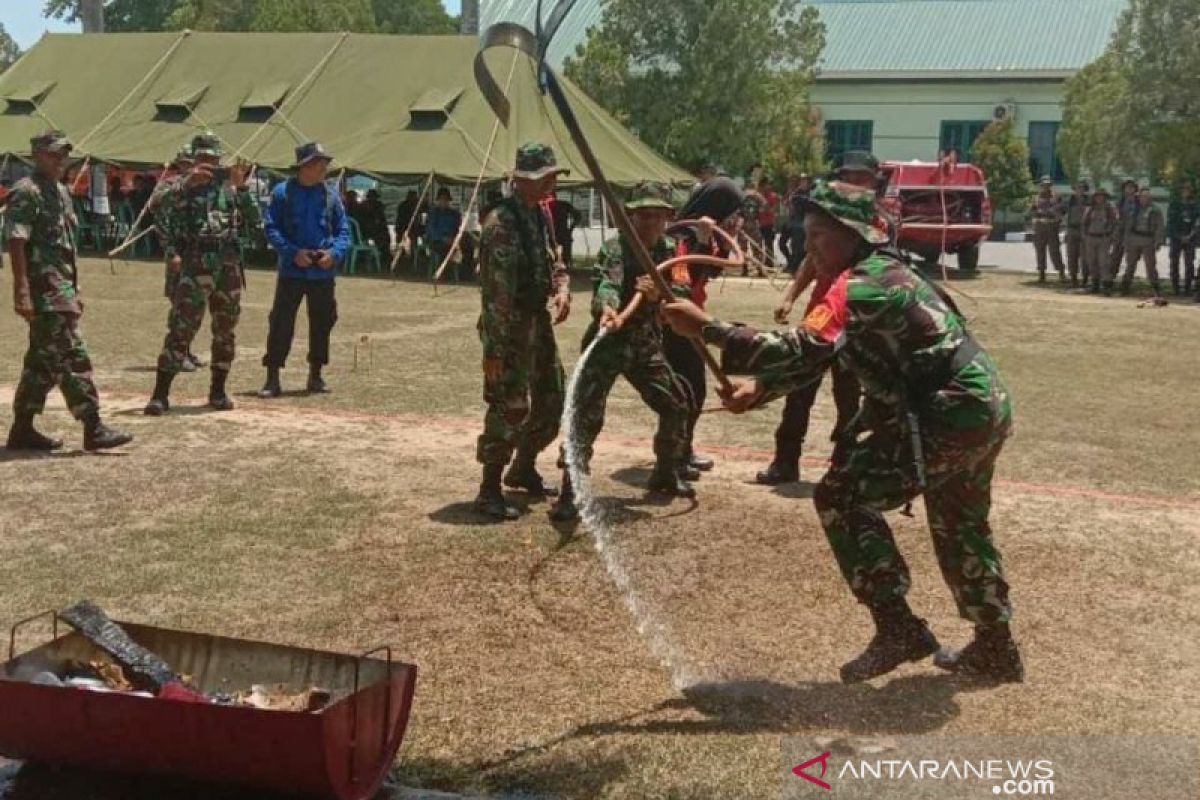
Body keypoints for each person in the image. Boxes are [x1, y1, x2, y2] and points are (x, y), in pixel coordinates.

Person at [663, 180, 1021, 685]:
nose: (809, 248)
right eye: (805, 236)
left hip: (950, 413)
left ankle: (899, 628)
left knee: (842, 494)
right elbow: (820, 357)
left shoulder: (863, 284)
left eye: (818, 237)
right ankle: (996, 648)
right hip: (978, 409)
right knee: (961, 523)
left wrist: (708, 328)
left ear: (853, 235)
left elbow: (799, 348)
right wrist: (759, 391)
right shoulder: (876, 274)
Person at [549, 183, 695, 522]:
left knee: (675, 402)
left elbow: (682, 290)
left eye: (657, 216)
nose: (649, 223)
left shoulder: (674, 250)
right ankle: (570, 489)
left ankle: (665, 471)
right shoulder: (616, 247)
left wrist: (659, 292)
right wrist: (609, 308)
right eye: (643, 215)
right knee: (586, 415)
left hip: (645, 344)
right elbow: (607, 284)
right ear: (630, 217)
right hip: (608, 342)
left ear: (667, 218)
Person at [5, 131, 132, 452]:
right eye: (53, 154)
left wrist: (74, 289)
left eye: (63, 154)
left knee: (42, 362)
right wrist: (21, 289)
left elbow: (66, 247)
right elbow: (16, 240)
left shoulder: (60, 192)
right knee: (73, 356)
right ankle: (93, 426)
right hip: (43, 290)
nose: (59, 160)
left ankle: (22, 429)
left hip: (60, 288)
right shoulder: (27, 192)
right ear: (36, 155)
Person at [474, 142, 572, 521]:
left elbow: (555, 259)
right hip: (509, 328)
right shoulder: (501, 222)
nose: (551, 183)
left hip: (537, 323)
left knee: (553, 400)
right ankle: (488, 489)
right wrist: (495, 350)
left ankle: (523, 466)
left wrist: (562, 287)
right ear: (524, 180)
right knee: (508, 407)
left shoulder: (539, 215)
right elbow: (497, 293)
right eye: (545, 177)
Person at [144, 132, 258, 416]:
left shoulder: (229, 186)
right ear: (193, 159)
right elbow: (155, 206)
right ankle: (160, 394)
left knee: (225, 330)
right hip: (195, 263)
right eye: (203, 158)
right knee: (182, 327)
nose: (209, 163)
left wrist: (242, 188)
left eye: (213, 158)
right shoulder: (178, 185)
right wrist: (186, 184)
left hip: (227, 263)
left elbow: (255, 222)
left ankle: (218, 391)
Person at [666, 177, 746, 479]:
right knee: (688, 389)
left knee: (693, 389)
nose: (735, 217)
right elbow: (681, 277)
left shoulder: (706, 232)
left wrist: (724, 241)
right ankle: (675, 453)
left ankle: (682, 449)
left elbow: (712, 268)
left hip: (693, 319)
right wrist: (701, 240)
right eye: (732, 211)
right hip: (675, 322)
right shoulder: (681, 235)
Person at [259, 142, 351, 398]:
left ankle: (316, 374)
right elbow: (271, 228)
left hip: (322, 271)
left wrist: (333, 254)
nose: (324, 168)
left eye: (324, 163)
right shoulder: (282, 193)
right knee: (281, 322)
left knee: (323, 321)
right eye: (319, 163)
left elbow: (343, 231)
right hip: (292, 270)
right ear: (304, 166)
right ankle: (272, 377)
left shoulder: (331, 195)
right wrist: (292, 252)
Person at [1120, 186, 1166, 303]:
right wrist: (1126, 240)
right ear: (1138, 197)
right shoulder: (1134, 209)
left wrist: (1158, 241)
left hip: (1148, 240)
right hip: (1134, 239)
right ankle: (1125, 286)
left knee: (1150, 266)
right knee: (1130, 265)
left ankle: (1156, 288)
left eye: (1146, 196)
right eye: (1142, 196)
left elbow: (1159, 227)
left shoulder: (1155, 210)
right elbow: (1128, 226)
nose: (1144, 199)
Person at [1082, 186, 1118, 296]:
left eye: (1101, 196)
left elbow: (1115, 223)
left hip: (1104, 238)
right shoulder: (1090, 209)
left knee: (1104, 262)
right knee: (1092, 262)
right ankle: (1095, 284)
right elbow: (1084, 223)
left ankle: (1106, 285)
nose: (1099, 198)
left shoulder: (1109, 208)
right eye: (1097, 196)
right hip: (1091, 237)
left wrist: (1111, 236)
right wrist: (1085, 236)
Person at [1029, 177, 1065, 283]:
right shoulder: (1037, 198)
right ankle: (1041, 273)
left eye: (1048, 185)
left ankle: (1061, 272)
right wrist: (1036, 217)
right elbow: (1032, 211)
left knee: (1054, 251)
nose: (1045, 187)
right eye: (1043, 185)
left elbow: (1062, 211)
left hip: (1051, 226)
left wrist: (1055, 217)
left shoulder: (1056, 197)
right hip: (1039, 227)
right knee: (1040, 251)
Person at [1167, 185, 1197, 297]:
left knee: (1189, 264)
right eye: (1183, 190)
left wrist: (1190, 235)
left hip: (1190, 238)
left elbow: (1197, 222)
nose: (1185, 192)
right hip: (1176, 238)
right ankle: (1175, 288)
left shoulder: (1195, 206)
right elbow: (1171, 222)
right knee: (1174, 263)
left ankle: (1188, 288)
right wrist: (1178, 236)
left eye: (1187, 190)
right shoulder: (1174, 205)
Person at [779, 173, 812, 274]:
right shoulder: (795, 192)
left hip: (801, 224)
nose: (802, 182)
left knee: (797, 248)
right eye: (801, 180)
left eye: (804, 180)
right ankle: (790, 263)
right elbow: (785, 204)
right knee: (782, 243)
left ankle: (794, 267)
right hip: (791, 222)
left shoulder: (808, 194)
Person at [425, 187, 462, 273]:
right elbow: (431, 230)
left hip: (452, 239)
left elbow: (457, 228)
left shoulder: (454, 214)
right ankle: (442, 272)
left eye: (446, 200)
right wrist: (443, 238)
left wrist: (454, 239)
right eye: (442, 199)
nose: (444, 202)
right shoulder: (433, 213)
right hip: (437, 241)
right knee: (441, 249)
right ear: (438, 200)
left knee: (467, 248)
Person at [1109, 178, 1138, 278]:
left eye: (1131, 187)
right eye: (1127, 187)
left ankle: (1127, 280)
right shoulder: (1120, 201)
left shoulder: (1138, 202)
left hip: (1133, 232)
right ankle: (1111, 278)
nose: (1129, 189)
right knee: (1115, 256)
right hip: (1120, 231)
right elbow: (1115, 216)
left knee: (1131, 259)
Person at [1063, 180, 1090, 287]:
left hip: (1084, 230)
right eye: (1077, 188)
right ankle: (1073, 277)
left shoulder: (1089, 201)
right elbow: (1059, 210)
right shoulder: (1069, 201)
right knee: (1072, 255)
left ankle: (1085, 278)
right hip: (1072, 230)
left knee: (1085, 256)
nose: (1079, 190)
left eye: (1082, 188)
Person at [549, 192, 583, 269]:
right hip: (550, 232)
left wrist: (571, 228)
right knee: (550, 252)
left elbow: (578, 215)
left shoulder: (563, 205)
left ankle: (567, 264)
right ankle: (553, 265)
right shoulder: (542, 206)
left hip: (562, 231)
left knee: (566, 249)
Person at [361, 188, 391, 265]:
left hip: (369, 230)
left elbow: (381, 219)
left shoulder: (376, 204)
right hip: (368, 231)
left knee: (385, 235)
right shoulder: (366, 205)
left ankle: (384, 255)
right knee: (383, 237)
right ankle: (384, 257)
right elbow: (378, 219)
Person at [394, 189, 424, 259]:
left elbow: (421, 216)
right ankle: (401, 252)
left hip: (414, 226)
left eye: (414, 197)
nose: (412, 198)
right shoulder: (403, 205)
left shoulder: (418, 205)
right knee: (399, 237)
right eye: (411, 196)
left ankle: (415, 253)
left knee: (415, 236)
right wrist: (398, 226)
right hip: (403, 225)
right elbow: (399, 217)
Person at [757, 178, 779, 268]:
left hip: (768, 223)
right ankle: (760, 263)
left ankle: (770, 262)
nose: (766, 187)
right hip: (759, 223)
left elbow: (773, 209)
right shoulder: (758, 195)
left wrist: (765, 209)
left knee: (768, 244)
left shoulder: (772, 196)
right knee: (758, 244)